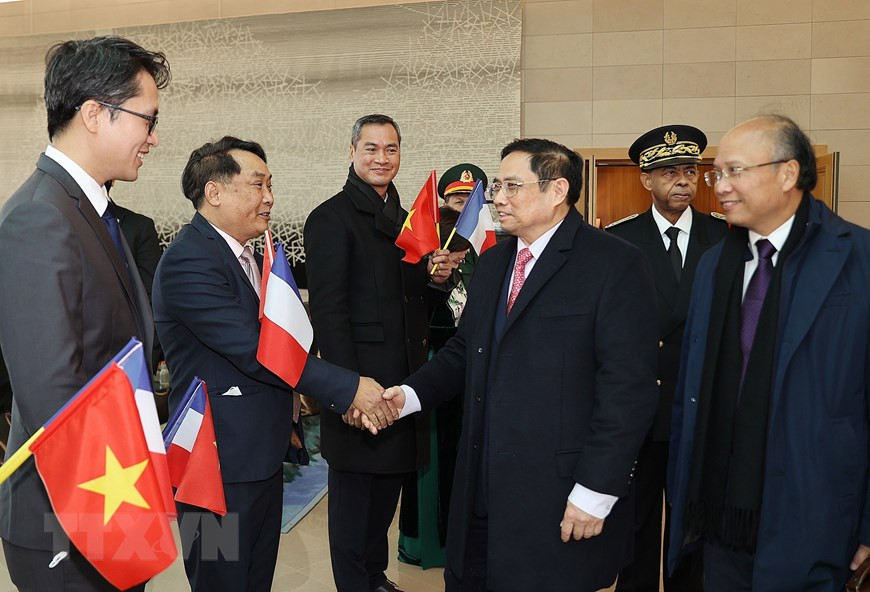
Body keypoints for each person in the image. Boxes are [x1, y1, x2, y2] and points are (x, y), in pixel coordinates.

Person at [382, 138, 660, 591]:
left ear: (557, 190)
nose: (498, 197)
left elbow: (628, 390)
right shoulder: (494, 263)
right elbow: (465, 349)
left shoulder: (614, 263)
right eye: (497, 185)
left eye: (512, 186)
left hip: (557, 493)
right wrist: (408, 395)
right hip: (479, 486)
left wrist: (597, 489)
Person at [152, 136, 395, 592]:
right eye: (257, 184)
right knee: (221, 580)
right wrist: (350, 390)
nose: (269, 197)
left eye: (270, 185)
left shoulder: (249, 254)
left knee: (254, 578)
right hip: (213, 465)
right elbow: (256, 352)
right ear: (214, 192)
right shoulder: (189, 260)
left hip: (259, 455)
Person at [667, 115, 870, 591]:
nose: (720, 186)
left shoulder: (857, 259)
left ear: (787, 173)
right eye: (717, 173)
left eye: (735, 171)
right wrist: (680, 487)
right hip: (718, 515)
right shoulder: (714, 265)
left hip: (816, 514)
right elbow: (689, 387)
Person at [0, 36, 169, 591]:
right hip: (69, 516)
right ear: (95, 114)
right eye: (148, 120)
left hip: (106, 498)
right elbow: (51, 397)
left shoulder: (90, 209)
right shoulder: (39, 217)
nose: (153, 137)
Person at [303, 114, 459, 592]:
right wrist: (348, 390)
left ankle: (374, 577)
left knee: (387, 494)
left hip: (403, 382)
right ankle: (356, 582)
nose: (381, 158)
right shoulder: (330, 218)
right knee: (354, 502)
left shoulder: (408, 219)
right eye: (371, 148)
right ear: (352, 152)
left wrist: (437, 278)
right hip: (360, 384)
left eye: (391, 149)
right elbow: (329, 314)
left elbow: (414, 302)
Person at [607, 124, 726, 592]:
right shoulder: (620, 241)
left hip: (699, 403)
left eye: (690, 171)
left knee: (691, 524)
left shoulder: (724, 237)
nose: (682, 181)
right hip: (642, 405)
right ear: (646, 180)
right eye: (669, 172)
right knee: (635, 522)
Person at [398, 206, 474, 568]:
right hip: (432, 375)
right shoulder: (423, 282)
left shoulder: (458, 277)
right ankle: (423, 543)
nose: (460, 260)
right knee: (429, 463)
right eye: (457, 253)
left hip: (458, 380)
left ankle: (452, 540)